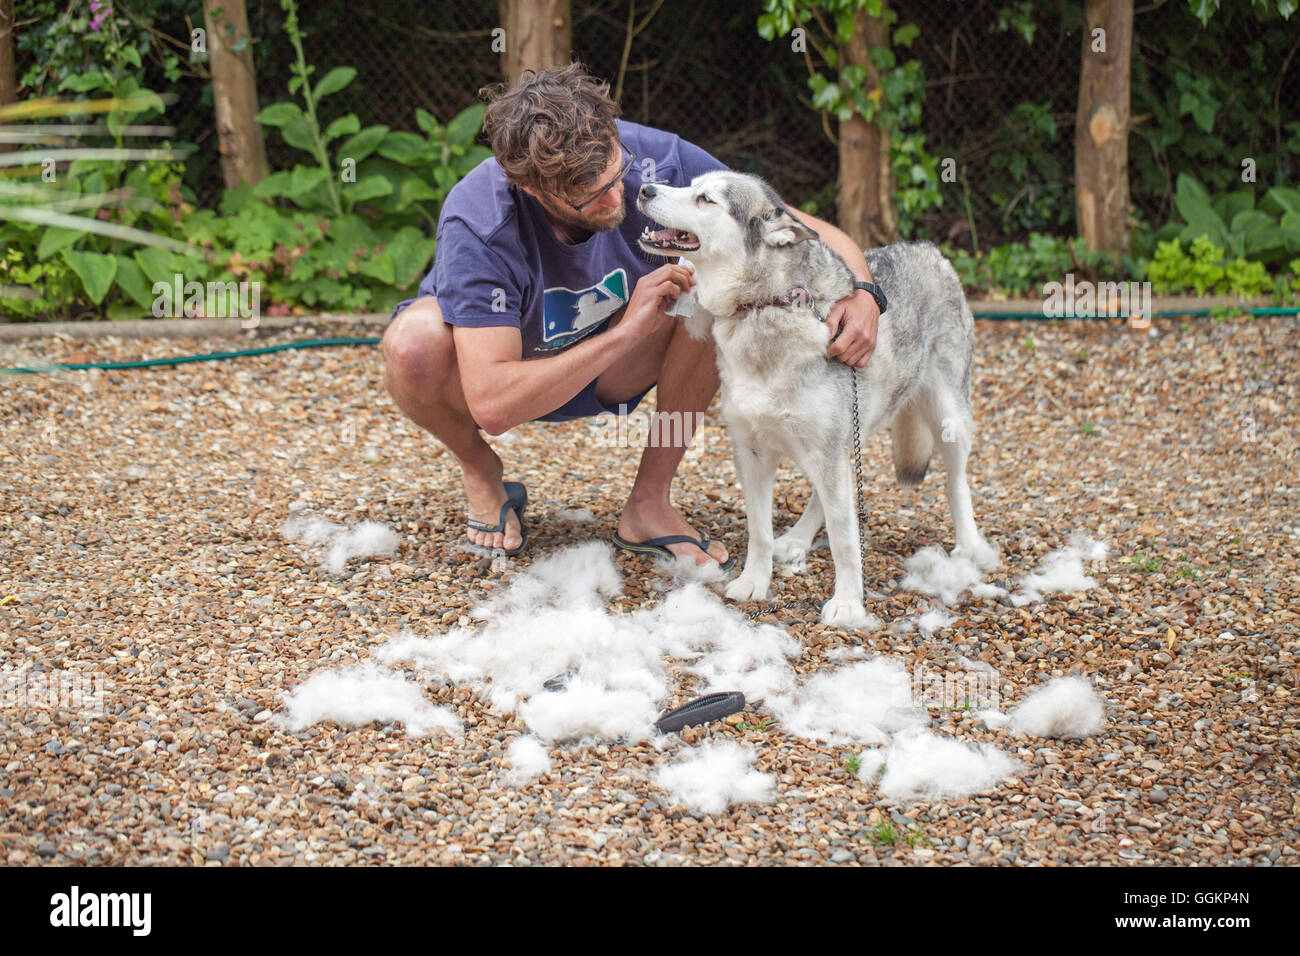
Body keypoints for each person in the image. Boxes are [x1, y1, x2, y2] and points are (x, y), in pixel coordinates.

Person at [381, 62, 880, 568]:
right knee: (412, 345)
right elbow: (493, 405)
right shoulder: (479, 218)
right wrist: (625, 331)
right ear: (533, 189)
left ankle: (648, 504)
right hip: (519, 375)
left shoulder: (658, 157)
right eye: (591, 195)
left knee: (722, 292)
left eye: (616, 172)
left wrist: (863, 292)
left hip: (619, 374)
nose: (617, 196)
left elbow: (796, 226)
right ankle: (481, 472)